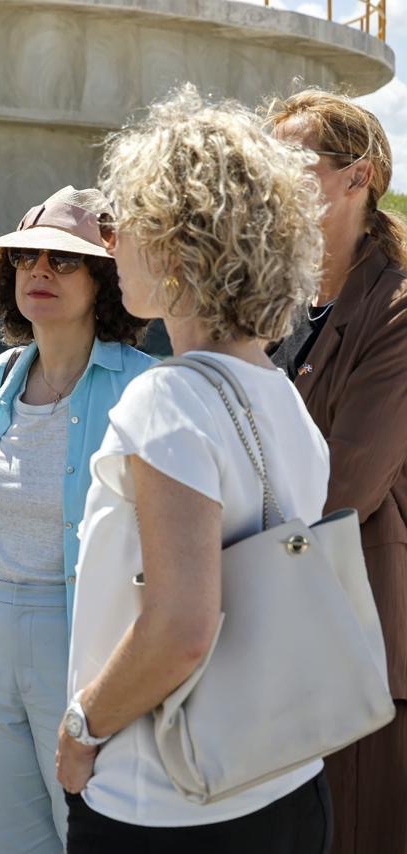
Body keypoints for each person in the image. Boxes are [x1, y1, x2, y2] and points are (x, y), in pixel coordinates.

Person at [57, 85, 333, 852]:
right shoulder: (279, 394)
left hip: (169, 798)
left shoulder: (167, 399)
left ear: (178, 246)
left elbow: (182, 626)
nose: (110, 243)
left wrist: (82, 729)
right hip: (284, 779)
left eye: (122, 221)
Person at [0, 186, 152, 854]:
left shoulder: (145, 388)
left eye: (63, 260)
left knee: (94, 833)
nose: (39, 271)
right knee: (14, 840)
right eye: (25, 258)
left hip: (88, 641)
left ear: (104, 280)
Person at [265, 89, 407, 854]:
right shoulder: (275, 304)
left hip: (365, 630)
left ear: (361, 177)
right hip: (282, 619)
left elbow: (347, 486)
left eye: (295, 163)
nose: (273, 181)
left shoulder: (398, 307)